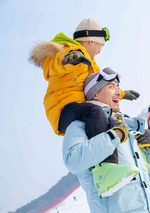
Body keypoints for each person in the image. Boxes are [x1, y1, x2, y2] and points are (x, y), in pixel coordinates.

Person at [29, 18, 140, 197]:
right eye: (100, 46)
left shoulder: (91, 63)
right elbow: (53, 64)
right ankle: (103, 171)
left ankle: (117, 167)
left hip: (81, 108)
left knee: (110, 118)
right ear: (91, 41)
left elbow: (102, 85)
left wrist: (122, 93)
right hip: (63, 108)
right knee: (96, 111)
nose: (99, 51)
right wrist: (68, 59)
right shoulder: (68, 50)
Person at [62, 68, 150, 213]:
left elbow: (137, 173)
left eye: (118, 87)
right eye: (112, 87)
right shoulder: (80, 126)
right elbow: (73, 161)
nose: (118, 92)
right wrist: (114, 136)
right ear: (95, 94)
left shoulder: (125, 125)